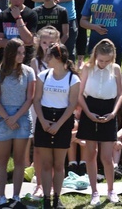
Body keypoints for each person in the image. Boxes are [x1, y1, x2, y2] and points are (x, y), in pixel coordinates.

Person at [33, 44, 80, 209]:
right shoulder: (43, 76)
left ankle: (57, 198)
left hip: (63, 121)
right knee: (46, 163)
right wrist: (44, 121)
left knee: (59, 164)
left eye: (49, 56)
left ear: (58, 58)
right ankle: (46, 198)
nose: (46, 59)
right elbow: (36, 100)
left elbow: (72, 104)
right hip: (44, 119)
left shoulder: (73, 79)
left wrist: (59, 125)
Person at [77, 39, 122, 206]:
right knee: (91, 154)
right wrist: (88, 113)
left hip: (109, 110)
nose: (103, 63)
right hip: (90, 108)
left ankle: (111, 190)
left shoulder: (116, 69)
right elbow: (80, 94)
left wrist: (113, 113)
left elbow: (120, 94)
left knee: (106, 156)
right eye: (101, 60)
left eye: (107, 60)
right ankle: (94, 191)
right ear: (95, 55)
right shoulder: (87, 68)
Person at [0, 38, 34, 205]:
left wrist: (15, 117)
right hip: (3, 118)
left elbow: (30, 98)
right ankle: (1, 197)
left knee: (19, 160)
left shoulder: (29, 72)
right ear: (10, 53)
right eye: (19, 53)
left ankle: (16, 196)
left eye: (23, 53)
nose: (22, 56)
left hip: (22, 118)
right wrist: (8, 118)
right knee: (1, 160)